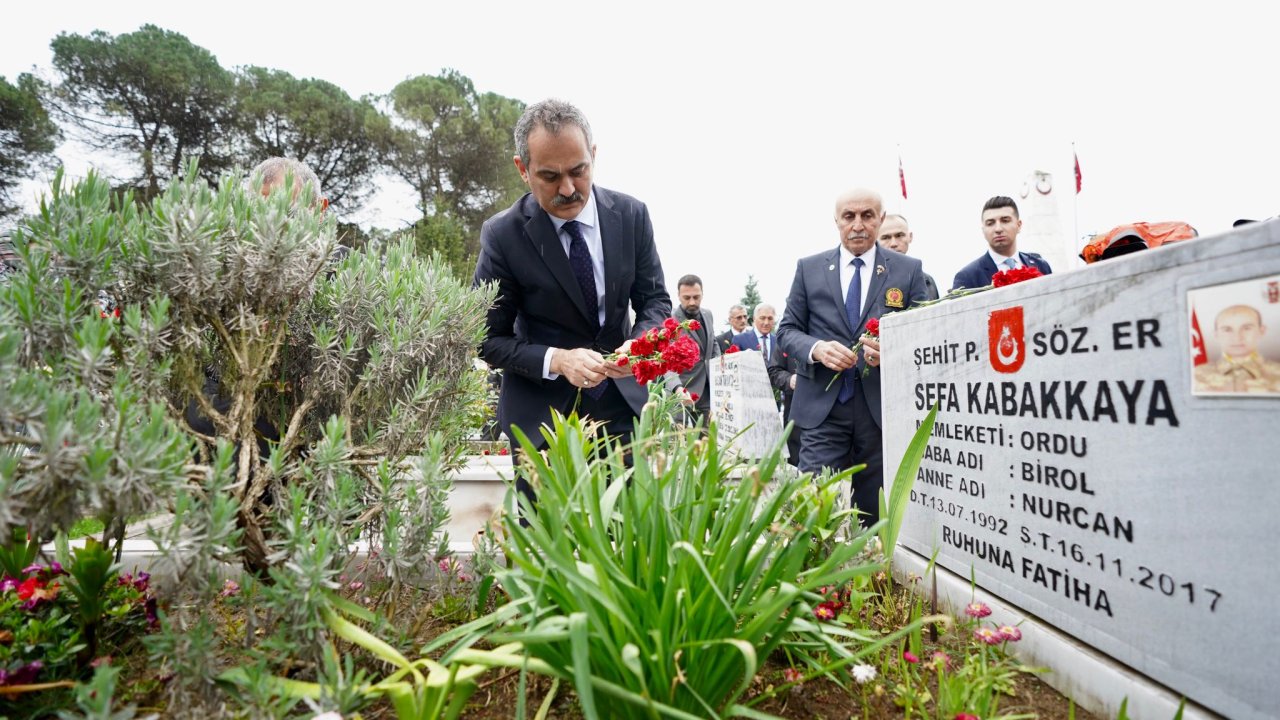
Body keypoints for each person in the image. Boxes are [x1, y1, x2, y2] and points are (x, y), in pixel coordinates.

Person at [472, 99, 671, 507]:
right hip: (543, 424)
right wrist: (558, 360)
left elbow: (654, 301)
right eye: (550, 176)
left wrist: (639, 345)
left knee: (627, 549)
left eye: (579, 171)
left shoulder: (632, 216)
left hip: (622, 410)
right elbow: (486, 339)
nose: (568, 189)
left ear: (593, 155)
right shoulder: (503, 236)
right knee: (549, 555)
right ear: (522, 169)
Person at [777, 188, 930, 525]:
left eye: (867, 216)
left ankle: (874, 576)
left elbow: (924, 333)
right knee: (812, 511)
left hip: (881, 415)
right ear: (837, 221)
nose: (858, 225)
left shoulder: (907, 270)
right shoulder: (809, 268)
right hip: (822, 411)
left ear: (880, 218)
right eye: (849, 217)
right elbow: (786, 330)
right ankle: (818, 577)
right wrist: (816, 349)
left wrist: (894, 351)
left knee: (875, 515)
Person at [951, 196, 1052, 291]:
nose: (998, 229)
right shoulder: (967, 276)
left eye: (1005, 221)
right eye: (990, 223)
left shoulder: (1041, 265)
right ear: (983, 230)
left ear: (1019, 225)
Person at [1194, 304, 1280, 393]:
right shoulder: (1195, 376)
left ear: (1262, 331)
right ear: (1216, 334)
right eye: (1227, 330)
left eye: (1246, 328)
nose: (1237, 338)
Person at [672, 274, 719, 416]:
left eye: (696, 297)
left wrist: (720, 364)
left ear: (702, 294)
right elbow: (666, 362)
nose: (692, 302)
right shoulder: (669, 320)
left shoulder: (708, 314)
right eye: (687, 298)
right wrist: (677, 387)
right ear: (679, 296)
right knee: (681, 438)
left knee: (707, 437)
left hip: (708, 393)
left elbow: (713, 342)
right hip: (682, 394)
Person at [878, 214, 939, 300]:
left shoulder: (926, 280)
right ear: (875, 242)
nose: (893, 244)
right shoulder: (869, 279)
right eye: (886, 238)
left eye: (899, 235)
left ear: (910, 237)